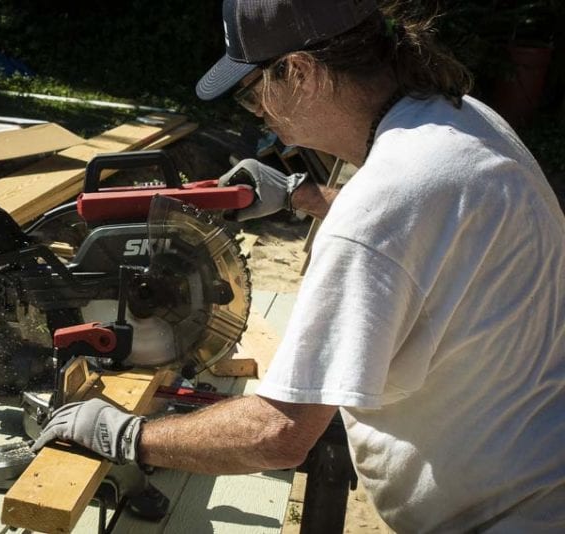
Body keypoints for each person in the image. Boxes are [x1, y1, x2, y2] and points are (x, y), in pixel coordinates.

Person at [32, 1, 565, 531]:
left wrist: (125, 435)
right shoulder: (460, 120)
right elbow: (420, 233)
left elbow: (278, 433)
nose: (257, 111)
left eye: (252, 92)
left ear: (302, 73)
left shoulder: (379, 206)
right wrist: (303, 195)